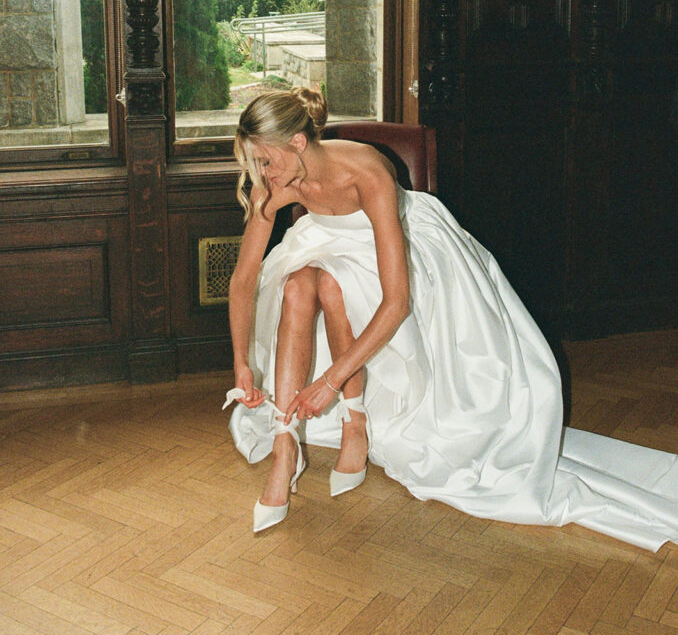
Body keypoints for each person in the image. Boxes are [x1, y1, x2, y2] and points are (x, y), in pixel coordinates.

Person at [224, 87, 678, 548]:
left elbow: (397, 301)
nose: (262, 173)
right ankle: (286, 446)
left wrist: (330, 382)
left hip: (402, 245)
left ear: (298, 143)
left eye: (266, 160)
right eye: (256, 163)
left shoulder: (366, 172)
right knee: (299, 282)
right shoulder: (275, 183)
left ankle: (354, 422)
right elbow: (243, 281)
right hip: (326, 241)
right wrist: (242, 360)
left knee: (331, 284)